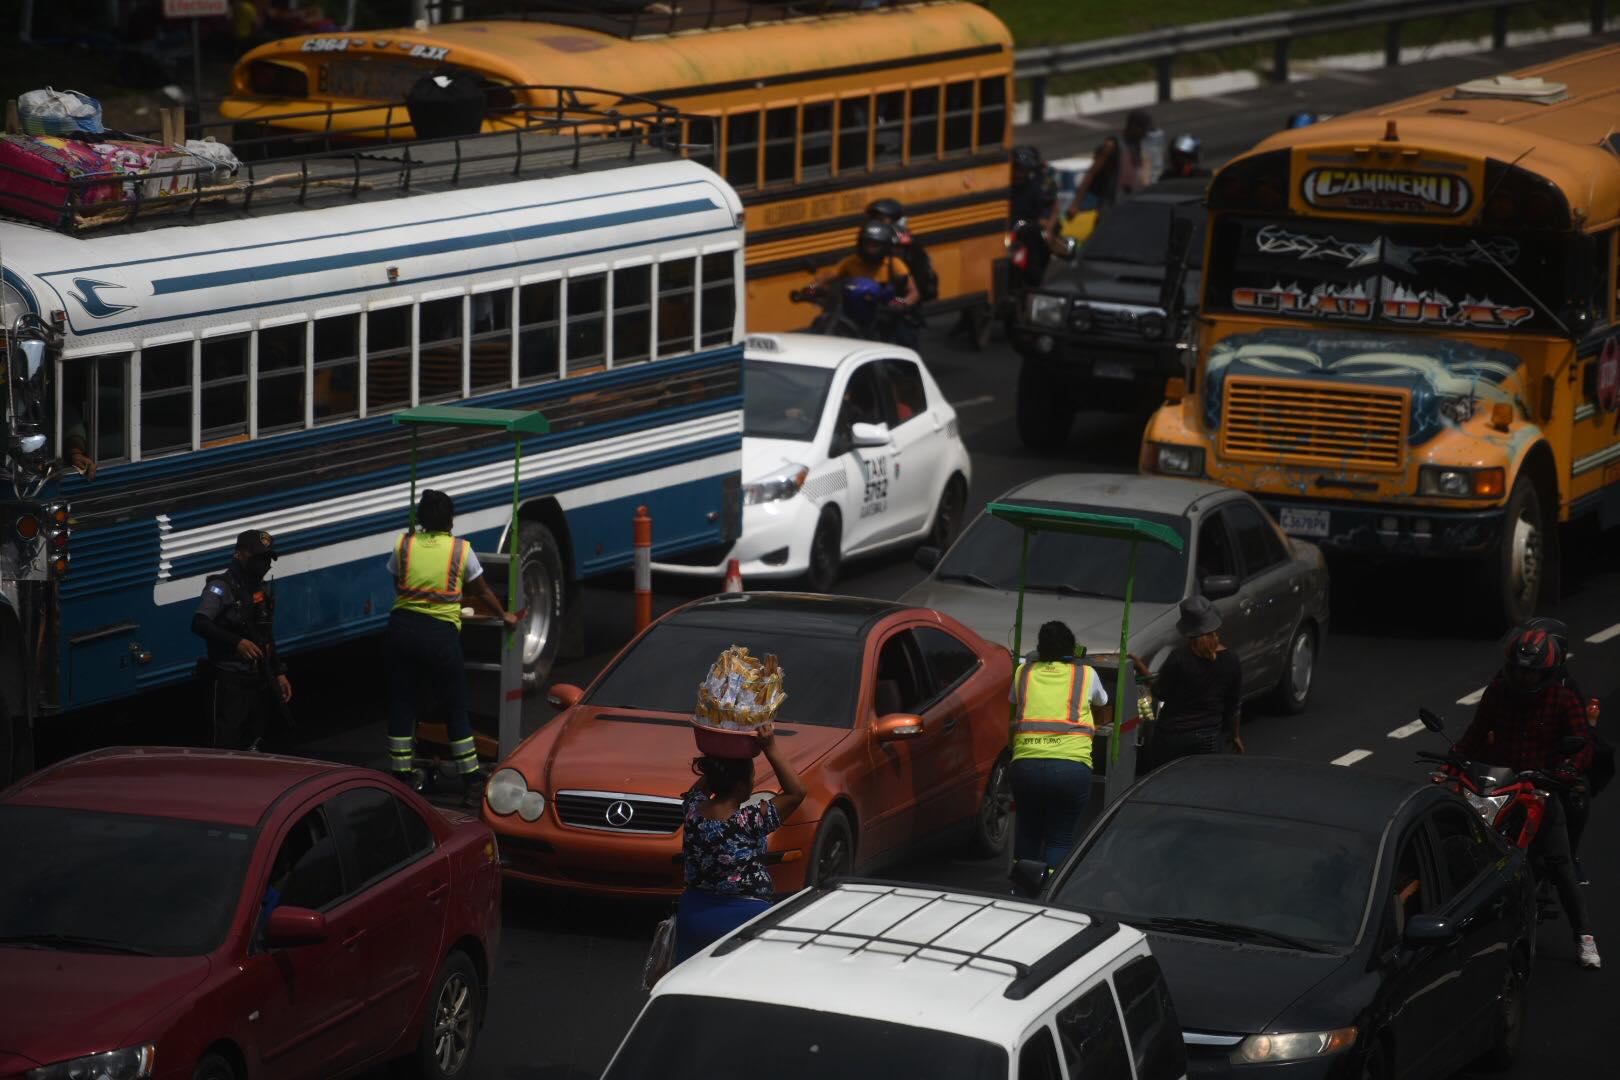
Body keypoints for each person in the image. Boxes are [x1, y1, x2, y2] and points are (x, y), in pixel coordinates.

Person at [1455, 626, 1600, 968]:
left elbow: (1584, 744)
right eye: (1519, 670)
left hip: (1540, 790)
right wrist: (1454, 760)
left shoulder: (1563, 700)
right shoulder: (1497, 693)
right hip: (1499, 787)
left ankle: (1584, 937)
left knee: (1560, 862)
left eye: (1531, 671)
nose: (1523, 677)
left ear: (1546, 673)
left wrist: (1565, 770)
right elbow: (1475, 734)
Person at [385, 489, 519, 797]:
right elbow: (482, 590)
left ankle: (400, 774)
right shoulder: (460, 550)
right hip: (439, 634)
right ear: (450, 520)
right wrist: (505, 615)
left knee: (403, 701)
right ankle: (471, 777)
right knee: (455, 704)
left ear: (420, 519)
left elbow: (399, 584)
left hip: (401, 630)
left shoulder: (404, 545)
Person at [676, 725, 806, 961]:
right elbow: (796, 792)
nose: (753, 783)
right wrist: (770, 747)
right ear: (740, 786)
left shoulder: (693, 811)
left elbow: (703, 786)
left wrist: (721, 755)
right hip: (743, 918)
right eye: (752, 779)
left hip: (694, 913)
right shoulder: (749, 820)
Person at [1008, 621, 1110, 871]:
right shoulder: (1086, 674)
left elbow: (1014, 700)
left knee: (1028, 833)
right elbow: (1103, 701)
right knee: (1059, 838)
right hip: (1070, 767)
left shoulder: (1023, 672)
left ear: (1040, 648)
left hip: (1026, 765)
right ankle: (1050, 894)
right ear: (1072, 649)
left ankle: (1022, 892)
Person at [192, 529, 290, 752]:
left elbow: (265, 635)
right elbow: (199, 622)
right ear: (240, 555)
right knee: (226, 746)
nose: (264, 564)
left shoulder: (259, 588)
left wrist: (278, 670)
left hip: (259, 678)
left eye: (267, 558)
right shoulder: (221, 587)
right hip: (230, 681)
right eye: (258, 558)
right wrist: (237, 642)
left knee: (254, 744)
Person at [1139, 596, 1243, 766]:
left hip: (1171, 736)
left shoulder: (1179, 658)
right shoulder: (1231, 660)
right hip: (1208, 736)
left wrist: (1142, 668)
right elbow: (1234, 705)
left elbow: (1160, 692)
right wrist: (1235, 735)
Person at [1068, 109, 1154, 219]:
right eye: (1143, 130)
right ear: (1133, 127)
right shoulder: (1112, 145)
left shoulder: (1136, 146)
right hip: (1110, 206)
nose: (1145, 134)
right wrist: (1076, 204)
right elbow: (1091, 174)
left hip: (1128, 206)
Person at [865, 197, 938, 304]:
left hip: (905, 301)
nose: (877, 224)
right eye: (874, 219)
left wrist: (900, 303)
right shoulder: (875, 243)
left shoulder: (903, 245)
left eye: (881, 219)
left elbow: (914, 292)